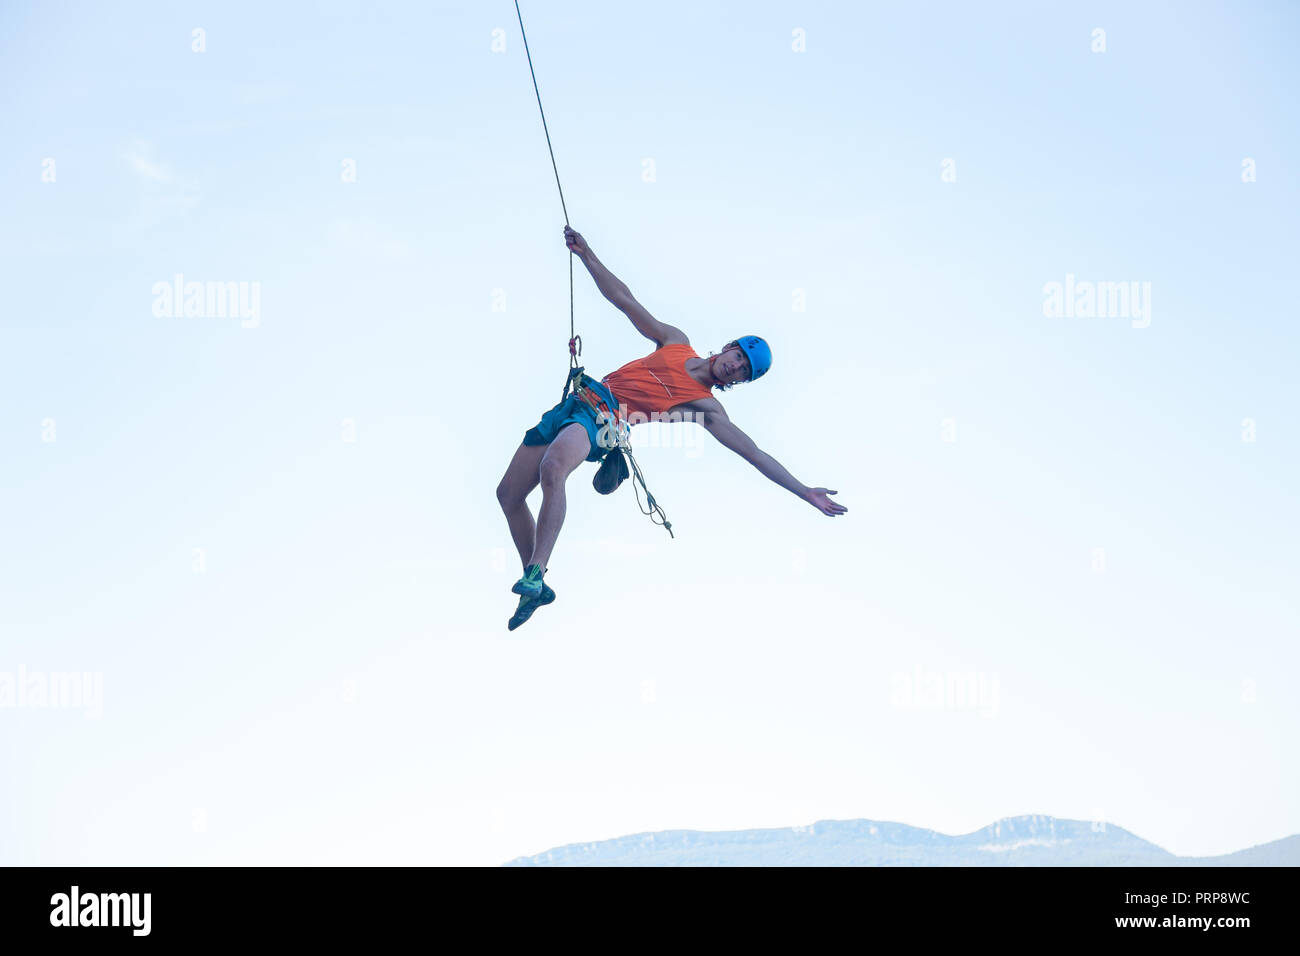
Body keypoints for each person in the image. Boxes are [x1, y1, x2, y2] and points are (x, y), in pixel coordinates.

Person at [497, 226, 847, 629]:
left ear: (736, 383)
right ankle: (535, 583)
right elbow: (626, 301)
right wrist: (587, 254)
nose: (735, 366)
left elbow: (754, 453)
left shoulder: (707, 408)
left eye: (743, 372)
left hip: (602, 419)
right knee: (507, 494)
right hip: (577, 398)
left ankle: (537, 570)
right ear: (729, 347)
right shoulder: (677, 343)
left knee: (554, 469)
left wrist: (803, 491)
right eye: (739, 356)